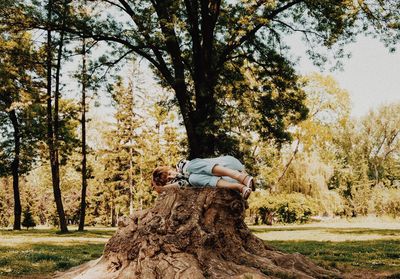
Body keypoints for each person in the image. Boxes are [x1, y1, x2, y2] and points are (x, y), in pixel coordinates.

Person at [152, 155, 255, 199]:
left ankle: (242, 177)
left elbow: (184, 171)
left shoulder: (182, 165)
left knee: (191, 167)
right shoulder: (185, 182)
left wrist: (162, 186)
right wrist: (161, 188)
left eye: (169, 173)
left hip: (229, 166)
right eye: (169, 180)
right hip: (228, 181)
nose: (172, 176)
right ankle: (240, 187)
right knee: (193, 179)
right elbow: (182, 183)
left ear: (169, 168)